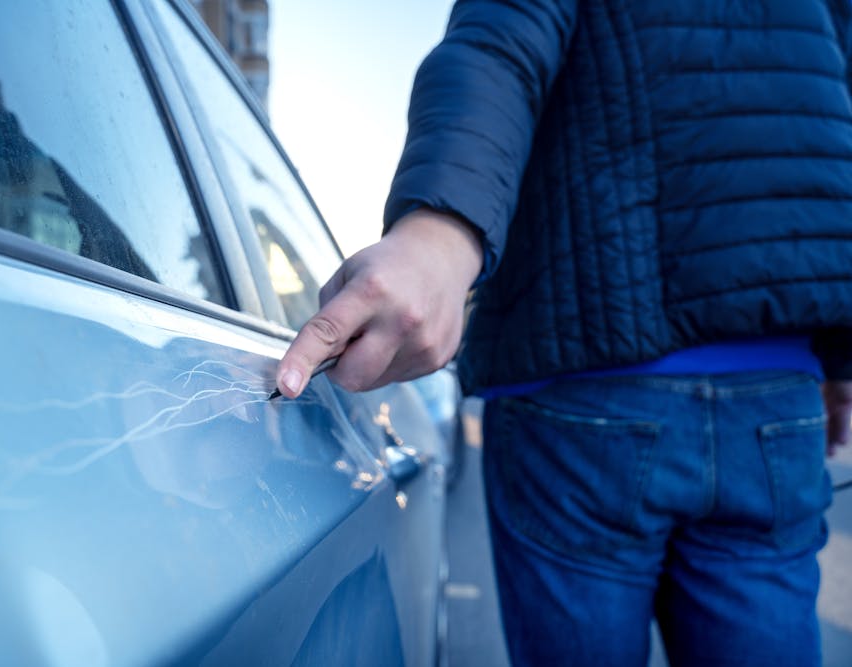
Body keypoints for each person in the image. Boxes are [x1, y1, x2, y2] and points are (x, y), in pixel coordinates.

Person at [277, 1, 852, 665]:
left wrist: (438, 235)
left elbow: (500, 47)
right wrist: (836, 354)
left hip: (583, 389)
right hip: (774, 393)